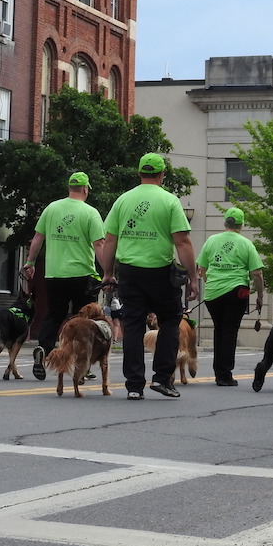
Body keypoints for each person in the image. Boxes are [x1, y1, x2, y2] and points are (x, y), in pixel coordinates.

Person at [99, 153, 198, 400]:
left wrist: (108, 273)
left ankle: (134, 385)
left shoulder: (123, 200)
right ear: (162, 174)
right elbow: (183, 242)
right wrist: (193, 278)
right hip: (160, 272)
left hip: (130, 271)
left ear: (139, 173)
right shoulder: (169, 201)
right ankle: (162, 378)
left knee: (133, 324)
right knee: (170, 321)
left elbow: (110, 240)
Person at [22, 171, 106, 381]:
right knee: (84, 321)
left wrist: (30, 262)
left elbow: (37, 237)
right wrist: (108, 272)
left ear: (69, 188)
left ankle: (44, 349)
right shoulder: (90, 212)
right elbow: (99, 244)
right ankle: (82, 364)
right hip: (82, 274)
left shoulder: (51, 208)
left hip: (54, 274)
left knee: (54, 315)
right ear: (85, 189)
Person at [197, 207, 264, 386]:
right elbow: (256, 273)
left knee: (219, 329)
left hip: (213, 294)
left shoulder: (211, 241)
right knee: (229, 330)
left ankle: (219, 371)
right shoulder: (246, 244)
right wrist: (260, 296)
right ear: (242, 224)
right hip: (236, 291)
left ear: (225, 222)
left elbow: (202, 268)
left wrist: (211, 282)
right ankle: (224, 374)